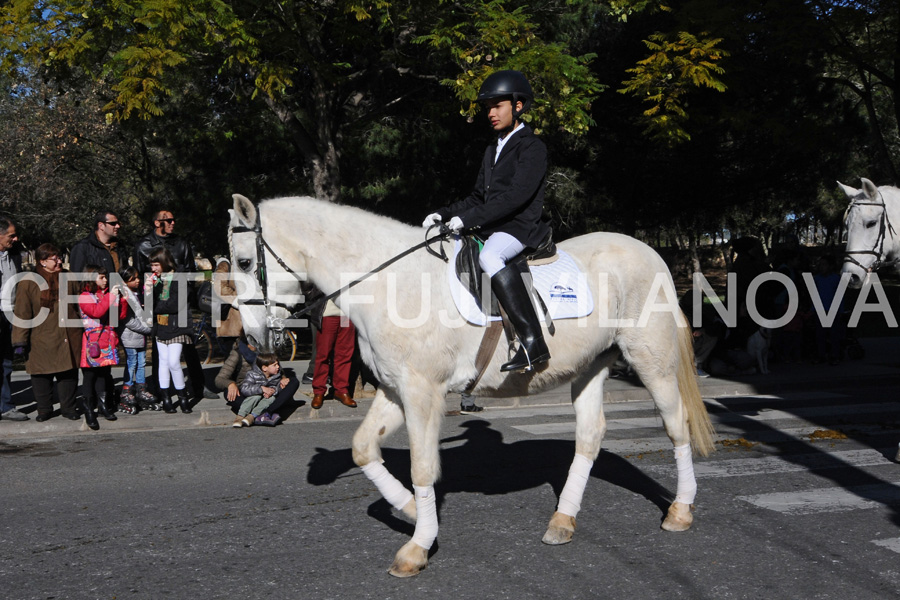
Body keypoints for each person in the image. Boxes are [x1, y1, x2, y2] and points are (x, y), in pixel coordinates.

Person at [422, 69, 550, 372]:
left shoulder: (533, 147)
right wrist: (446, 213)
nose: (491, 113)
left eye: (497, 106)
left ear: (518, 106)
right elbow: (479, 198)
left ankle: (533, 342)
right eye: (488, 108)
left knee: (491, 256)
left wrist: (468, 220)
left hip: (520, 227)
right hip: (493, 225)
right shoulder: (493, 148)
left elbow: (515, 197)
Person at [133, 208, 217, 401]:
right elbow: (140, 275)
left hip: (180, 305)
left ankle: (198, 386)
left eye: (174, 219)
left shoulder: (181, 243)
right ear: (157, 223)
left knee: (188, 347)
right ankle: (161, 390)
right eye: (168, 220)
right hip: (157, 306)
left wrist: (182, 296)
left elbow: (190, 272)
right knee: (159, 352)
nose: (173, 223)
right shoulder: (143, 246)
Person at [11, 244, 83, 423]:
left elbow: (79, 304)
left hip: (68, 334)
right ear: (42, 262)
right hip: (41, 335)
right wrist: (19, 340)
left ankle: (69, 407)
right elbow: (22, 312)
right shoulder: (29, 281)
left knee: (68, 373)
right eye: (54, 258)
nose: (59, 261)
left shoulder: (69, 277)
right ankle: (44, 409)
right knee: (41, 374)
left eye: (59, 257)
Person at [79, 264, 128, 430]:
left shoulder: (105, 295)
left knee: (103, 374)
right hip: (92, 343)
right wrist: (111, 297)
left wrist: (122, 299)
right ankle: (88, 408)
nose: (105, 280)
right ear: (91, 278)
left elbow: (117, 316)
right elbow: (97, 312)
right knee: (90, 376)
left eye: (105, 276)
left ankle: (103, 406)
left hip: (106, 340)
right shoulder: (84, 296)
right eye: (101, 277)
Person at [215, 335, 299, 426]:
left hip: (270, 391)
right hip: (247, 390)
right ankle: (258, 413)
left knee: (293, 382)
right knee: (229, 392)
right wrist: (230, 384)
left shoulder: (267, 351)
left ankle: (266, 412)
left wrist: (283, 379)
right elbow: (220, 379)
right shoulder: (237, 353)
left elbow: (279, 372)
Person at [148, 247, 193, 414]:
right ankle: (166, 397)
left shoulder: (178, 278)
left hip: (177, 326)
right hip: (161, 326)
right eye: (151, 266)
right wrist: (149, 290)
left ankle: (182, 397)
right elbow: (149, 304)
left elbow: (176, 304)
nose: (153, 269)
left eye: (155, 265)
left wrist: (155, 306)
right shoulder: (156, 281)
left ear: (164, 262)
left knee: (174, 361)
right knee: (163, 361)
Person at [118, 266, 159, 412]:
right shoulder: (125, 297)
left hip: (139, 336)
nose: (137, 280)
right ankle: (127, 390)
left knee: (141, 362)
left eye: (137, 277)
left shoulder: (137, 293)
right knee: (132, 362)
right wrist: (148, 330)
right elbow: (128, 320)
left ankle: (141, 388)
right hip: (130, 335)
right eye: (133, 279)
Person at [0, 216, 26, 421]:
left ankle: (5, 405)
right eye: (11, 235)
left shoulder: (14, 255)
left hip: (9, 314)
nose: (16, 239)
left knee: (7, 361)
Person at [310, 299, 357, 409]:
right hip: (328, 314)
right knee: (323, 354)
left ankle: (341, 390)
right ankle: (319, 391)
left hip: (346, 315)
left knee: (344, 354)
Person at [232, 352, 287, 427]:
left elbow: (278, 388)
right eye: (274, 365)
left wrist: (272, 391)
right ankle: (240, 416)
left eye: (277, 364)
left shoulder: (277, 376)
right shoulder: (252, 374)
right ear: (264, 368)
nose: (278, 367)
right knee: (255, 397)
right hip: (254, 396)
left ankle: (252, 416)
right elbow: (244, 388)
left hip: (266, 397)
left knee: (271, 399)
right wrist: (261, 389)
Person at [69, 210, 129, 275]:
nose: (118, 226)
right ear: (101, 226)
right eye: (113, 223)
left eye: (118, 223)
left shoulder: (120, 246)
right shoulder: (82, 247)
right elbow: (76, 276)